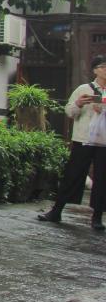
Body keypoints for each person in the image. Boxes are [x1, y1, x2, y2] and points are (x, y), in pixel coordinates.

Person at [37, 55, 106, 231]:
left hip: (104, 142)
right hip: (83, 139)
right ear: (95, 70)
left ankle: (97, 217)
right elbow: (69, 112)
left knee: (102, 179)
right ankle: (56, 211)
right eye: (103, 66)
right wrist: (79, 103)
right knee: (72, 174)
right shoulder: (84, 89)